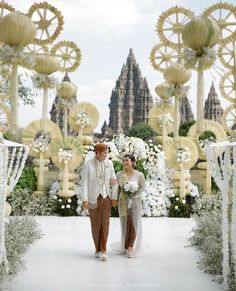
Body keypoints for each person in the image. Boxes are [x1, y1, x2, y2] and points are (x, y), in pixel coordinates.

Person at [81, 143, 117, 261]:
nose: (106, 155)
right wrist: (84, 199)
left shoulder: (109, 163)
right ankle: (97, 247)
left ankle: (104, 249)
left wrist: (114, 195)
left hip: (106, 197)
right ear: (97, 153)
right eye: (104, 153)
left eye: (107, 152)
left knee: (105, 223)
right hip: (93, 198)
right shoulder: (88, 164)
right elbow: (84, 183)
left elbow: (114, 180)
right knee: (95, 224)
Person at [113, 154, 145, 258]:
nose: (125, 162)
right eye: (123, 160)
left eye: (127, 160)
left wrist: (134, 195)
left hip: (135, 202)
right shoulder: (119, 174)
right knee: (125, 224)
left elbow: (142, 188)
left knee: (134, 224)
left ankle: (131, 247)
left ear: (132, 162)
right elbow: (115, 187)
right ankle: (125, 246)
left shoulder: (139, 175)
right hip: (123, 202)